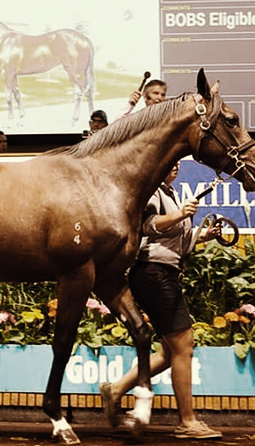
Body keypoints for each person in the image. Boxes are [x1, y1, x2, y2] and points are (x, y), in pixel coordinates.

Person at [100, 161, 223, 440]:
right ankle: (187, 422)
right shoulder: (152, 192)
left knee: (170, 353)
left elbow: (176, 239)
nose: (176, 165)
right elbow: (149, 226)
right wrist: (180, 214)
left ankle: (116, 390)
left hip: (161, 274)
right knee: (184, 345)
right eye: (171, 161)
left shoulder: (170, 192)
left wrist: (204, 235)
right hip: (153, 275)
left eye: (179, 162)